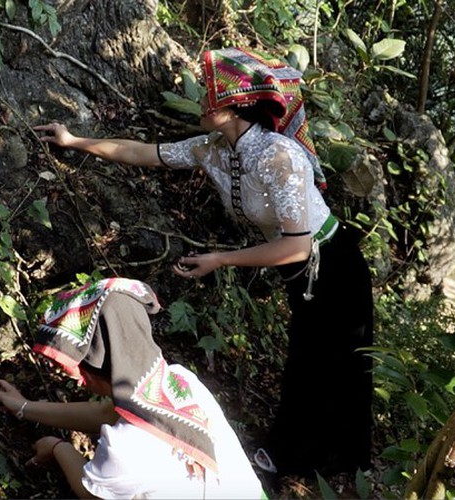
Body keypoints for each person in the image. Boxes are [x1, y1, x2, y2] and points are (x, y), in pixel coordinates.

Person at [33, 47, 374, 477]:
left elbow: (297, 245)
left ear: (231, 106)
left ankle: (314, 459)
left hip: (334, 265)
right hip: (301, 271)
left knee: (332, 361)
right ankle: (310, 455)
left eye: (207, 96)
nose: (199, 103)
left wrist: (220, 259)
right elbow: (144, 152)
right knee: (309, 357)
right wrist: (74, 140)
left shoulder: (278, 156)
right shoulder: (213, 148)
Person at [0, 278, 267, 498]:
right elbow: (106, 413)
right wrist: (24, 407)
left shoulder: (125, 446)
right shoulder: (177, 381)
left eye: (79, 368)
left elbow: (92, 493)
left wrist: (58, 448)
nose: (76, 378)